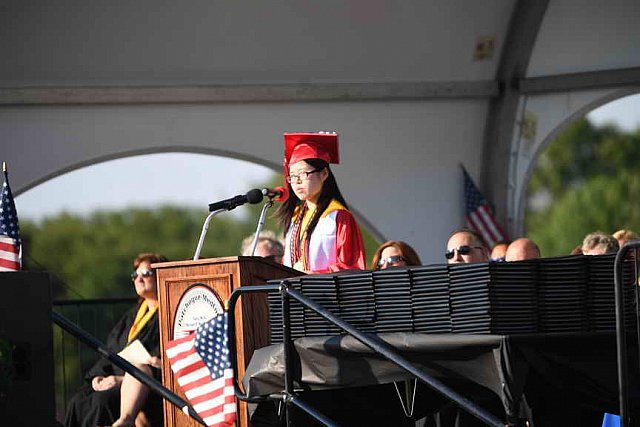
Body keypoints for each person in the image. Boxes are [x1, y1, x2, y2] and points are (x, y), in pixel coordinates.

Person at [64, 253, 167, 427]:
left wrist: (119, 380)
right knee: (79, 401)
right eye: (136, 275)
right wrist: (98, 377)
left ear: (161, 276)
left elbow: (157, 362)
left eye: (146, 274)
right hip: (116, 377)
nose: (139, 279)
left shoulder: (167, 314)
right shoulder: (131, 316)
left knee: (102, 401)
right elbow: (110, 351)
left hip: (144, 385)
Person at [277, 132, 366, 273]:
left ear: (324, 174)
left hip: (325, 293)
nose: (297, 181)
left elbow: (352, 267)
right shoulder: (295, 217)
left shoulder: (339, 217)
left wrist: (314, 276)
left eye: (303, 174)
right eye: (292, 176)